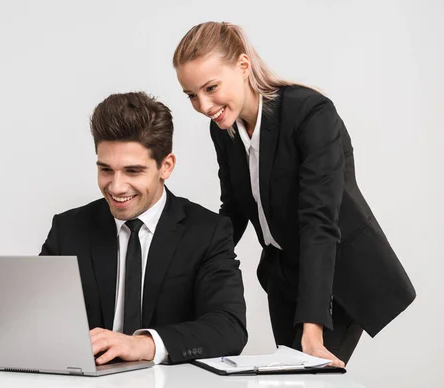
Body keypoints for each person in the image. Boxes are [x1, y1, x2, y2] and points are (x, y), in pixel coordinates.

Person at [172, 21, 416, 367]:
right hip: (283, 273)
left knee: (308, 379)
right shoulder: (223, 130)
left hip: (335, 274)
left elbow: (319, 222)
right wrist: (187, 264)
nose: (204, 105)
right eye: (192, 95)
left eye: (211, 87)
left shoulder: (310, 114)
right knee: (288, 382)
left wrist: (313, 329)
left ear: (243, 67)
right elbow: (234, 209)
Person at [40, 91, 247, 365]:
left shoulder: (207, 232)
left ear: (166, 166)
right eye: (105, 170)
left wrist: (144, 345)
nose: (116, 187)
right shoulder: (68, 229)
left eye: (133, 171)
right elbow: (36, 317)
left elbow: (228, 327)